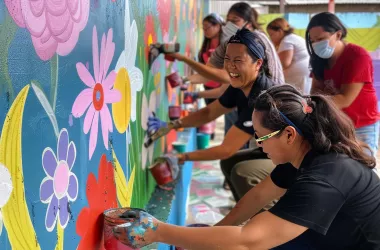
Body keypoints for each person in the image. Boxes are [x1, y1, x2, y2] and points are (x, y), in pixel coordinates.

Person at [114, 84, 380, 250]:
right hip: (331, 239)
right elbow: (257, 197)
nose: (258, 145)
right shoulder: (304, 153)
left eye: (261, 137)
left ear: (289, 134)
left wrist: (157, 232)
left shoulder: (325, 178)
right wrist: (215, 233)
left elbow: (248, 240)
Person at [147, 30, 275, 187]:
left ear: (258, 64)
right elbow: (209, 112)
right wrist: (173, 125)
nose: (230, 66)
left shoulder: (261, 99)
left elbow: (226, 149)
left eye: (238, 60)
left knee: (242, 171)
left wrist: (181, 157)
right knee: (229, 164)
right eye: (227, 59)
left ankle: (265, 210)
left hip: (295, 161)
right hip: (271, 150)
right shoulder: (240, 84)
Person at [307, 12, 380, 157]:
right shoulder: (319, 59)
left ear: (338, 35)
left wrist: (310, 106)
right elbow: (315, 92)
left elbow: (345, 99)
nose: (316, 44)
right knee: (339, 168)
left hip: (361, 124)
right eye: (313, 40)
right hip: (334, 123)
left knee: (363, 167)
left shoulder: (357, 56)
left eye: (321, 39)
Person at [267, 18, 311, 94]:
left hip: (300, 80)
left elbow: (284, 64)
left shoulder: (287, 40)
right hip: (304, 77)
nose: (271, 38)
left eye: (272, 35)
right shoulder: (293, 37)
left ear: (280, 31)